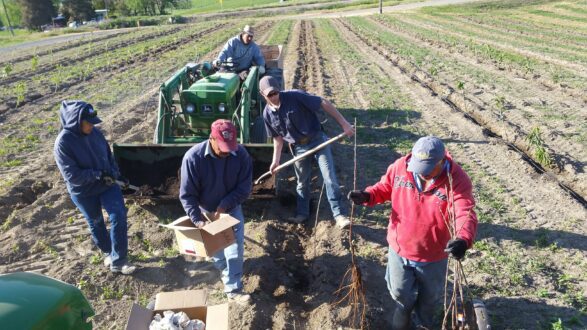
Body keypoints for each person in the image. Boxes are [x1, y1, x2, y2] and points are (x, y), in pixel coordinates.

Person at [348, 136, 478, 329]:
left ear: (442, 161)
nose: (422, 173)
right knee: (401, 295)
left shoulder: (456, 179)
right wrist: (368, 195)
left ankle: (423, 323)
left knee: (429, 300)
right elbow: (385, 187)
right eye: (418, 166)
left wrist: (462, 239)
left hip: (433, 255)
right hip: (400, 248)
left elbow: (463, 211)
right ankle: (403, 316)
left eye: (428, 168)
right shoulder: (402, 166)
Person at [259, 75, 354, 229]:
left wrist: (344, 124)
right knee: (302, 183)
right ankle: (302, 213)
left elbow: (323, 102)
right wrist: (275, 161)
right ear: (263, 94)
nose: (274, 96)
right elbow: (277, 139)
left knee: (329, 178)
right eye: (269, 94)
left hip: (318, 140)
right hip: (299, 148)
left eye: (275, 92)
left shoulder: (295, 96)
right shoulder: (267, 115)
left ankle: (339, 215)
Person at [54, 100, 136, 275]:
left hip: (107, 185)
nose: (92, 126)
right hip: (84, 191)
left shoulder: (95, 133)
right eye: (88, 122)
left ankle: (119, 261)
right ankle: (108, 251)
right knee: (96, 221)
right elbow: (72, 176)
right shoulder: (63, 143)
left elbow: (108, 155)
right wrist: (97, 174)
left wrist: (115, 173)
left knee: (118, 215)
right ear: (75, 121)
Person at [179, 119, 253, 303]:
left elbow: (244, 188)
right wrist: (198, 220)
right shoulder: (193, 158)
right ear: (211, 139)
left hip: (230, 208)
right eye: (222, 147)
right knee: (215, 248)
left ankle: (234, 288)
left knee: (234, 248)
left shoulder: (241, 154)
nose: (227, 152)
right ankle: (225, 270)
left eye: (230, 147)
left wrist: (224, 205)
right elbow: (187, 195)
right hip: (205, 210)